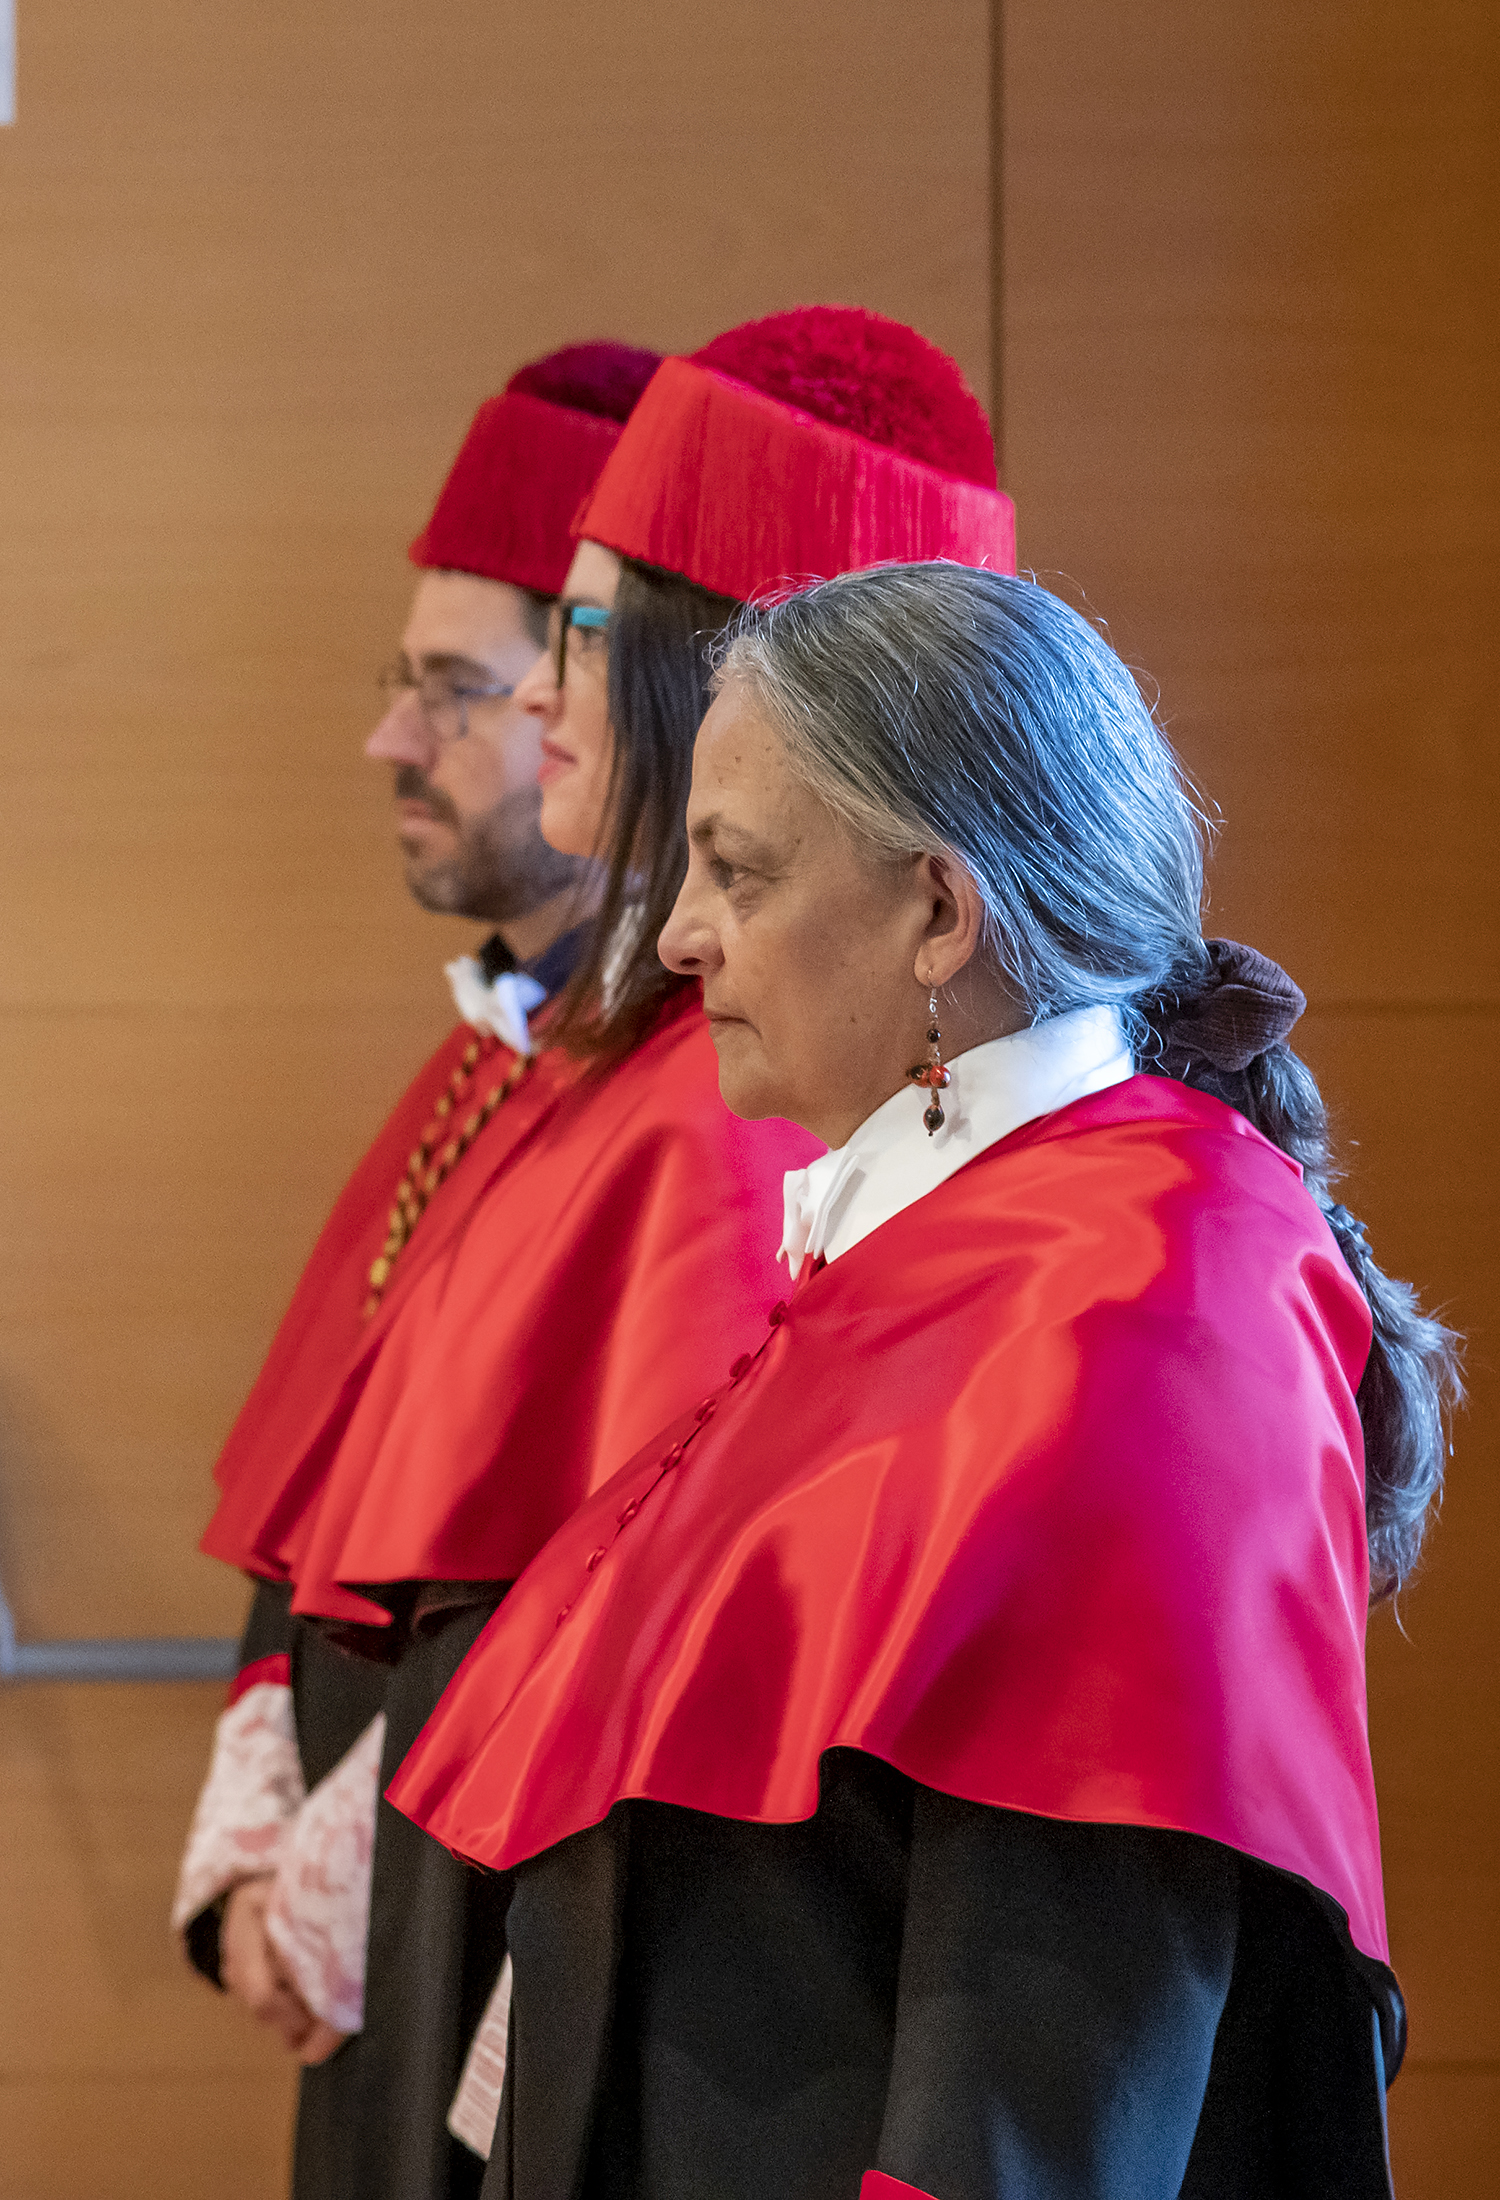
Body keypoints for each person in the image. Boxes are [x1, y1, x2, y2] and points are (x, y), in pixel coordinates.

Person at [390, 562, 1461, 2200]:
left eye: (736, 872)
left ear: (941, 917)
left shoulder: (1148, 1304)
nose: (677, 935)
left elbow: (1047, 2060)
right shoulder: (948, 1245)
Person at [180, 314, 1015, 2200]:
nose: (545, 705)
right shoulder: (582, 1052)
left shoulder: (746, 1107)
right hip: (448, 1938)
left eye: (574, 638)